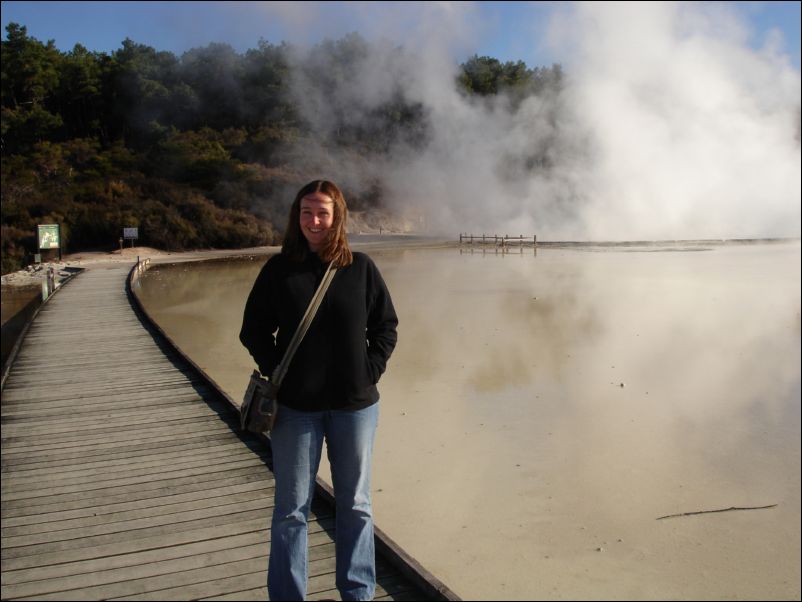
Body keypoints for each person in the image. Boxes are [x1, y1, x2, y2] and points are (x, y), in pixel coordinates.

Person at [240, 179, 398, 601]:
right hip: (295, 410)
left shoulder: (361, 268)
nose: (314, 221)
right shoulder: (279, 270)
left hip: (355, 408)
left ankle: (358, 592)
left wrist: (370, 370)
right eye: (307, 212)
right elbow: (252, 330)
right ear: (297, 216)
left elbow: (386, 326)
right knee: (291, 511)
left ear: (337, 217)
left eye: (323, 213)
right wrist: (279, 371)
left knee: (356, 506)